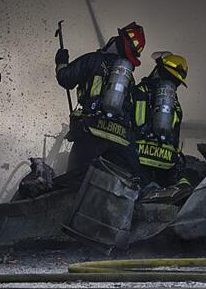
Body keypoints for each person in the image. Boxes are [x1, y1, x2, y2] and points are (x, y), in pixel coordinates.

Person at [55, 22, 146, 184]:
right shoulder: (129, 79)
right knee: (126, 184)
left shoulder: (93, 60)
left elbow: (65, 79)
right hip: (121, 141)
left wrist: (61, 60)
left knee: (72, 184)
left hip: (91, 132)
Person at [133, 52, 191, 187]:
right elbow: (175, 137)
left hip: (137, 156)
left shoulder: (140, 90)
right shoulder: (175, 105)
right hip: (165, 160)